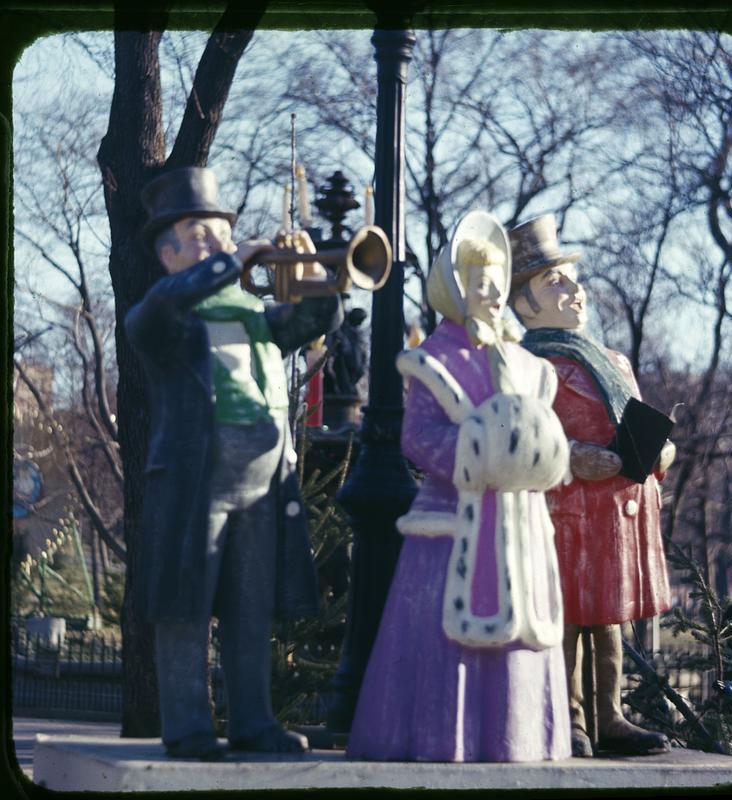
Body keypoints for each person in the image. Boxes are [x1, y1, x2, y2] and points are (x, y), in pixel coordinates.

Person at [125, 166, 342, 760]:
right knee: (186, 608)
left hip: (264, 485)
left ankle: (253, 721)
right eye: (199, 235)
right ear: (168, 255)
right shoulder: (163, 315)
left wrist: (319, 276)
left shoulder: (254, 314)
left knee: (251, 609)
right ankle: (189, 725)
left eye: (221, 231)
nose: (217, 243)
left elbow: (313, 321)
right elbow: (153, 313)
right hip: (197, 483)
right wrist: (231, 259)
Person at [346, 211, 572, 762]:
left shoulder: (529, 365)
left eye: (498, 280)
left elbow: (540, 436)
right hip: (451, 525)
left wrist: (541, 460)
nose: (493, 292)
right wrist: (479, 456)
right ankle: (439, 737)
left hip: (519, 528)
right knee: (441, 639)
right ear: (456, 288)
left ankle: (517, 736)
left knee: (522, 636)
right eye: (480, 281)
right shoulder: (432, 362)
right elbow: (418, 436)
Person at [507, 214, 675, 757]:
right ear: (524, 303)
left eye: (571, 279)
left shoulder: (613, 360)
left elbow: (634, 418)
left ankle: (611, 717)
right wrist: (573, 455)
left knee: (608, 619)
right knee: (569, 616)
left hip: (618, 513)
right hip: (566, 509)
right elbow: (524, 433)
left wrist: (660, 451)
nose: (573, 289)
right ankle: (569, 719)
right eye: (553, 281)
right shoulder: (529, 362)